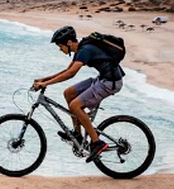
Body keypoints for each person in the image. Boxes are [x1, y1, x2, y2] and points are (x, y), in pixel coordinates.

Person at [32, 26, 124, 163]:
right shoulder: (81, 49)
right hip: (103, 79)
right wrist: (44, 79)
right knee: (69, 93)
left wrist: (46, 84)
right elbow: (67, 70)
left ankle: (97, 142)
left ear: (69, 42)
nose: (60, 49)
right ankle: (78, 135)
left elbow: (71, 74)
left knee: (75, 106)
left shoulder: (85, 50)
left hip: (110, 83)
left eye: (60, 46)